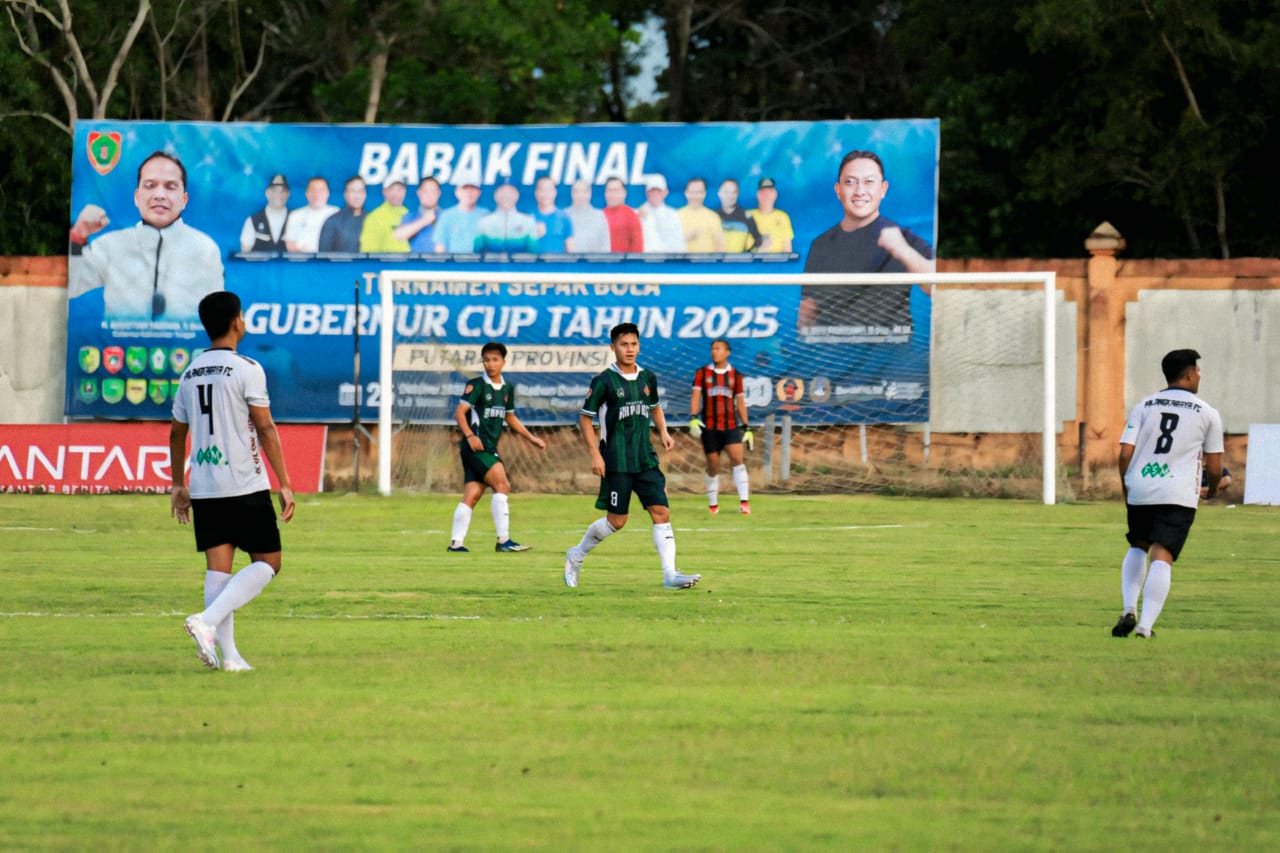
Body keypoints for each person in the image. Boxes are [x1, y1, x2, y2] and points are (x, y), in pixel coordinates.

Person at [170, 290, 296, 671]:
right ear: (236, 322)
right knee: (269, 562)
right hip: (243, 483)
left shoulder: (190, 372)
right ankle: (205, 621)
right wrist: (285, 482)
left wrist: (179, 484)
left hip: (205, 485)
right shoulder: (247, 368)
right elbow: (265, 428)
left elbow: (177, 434)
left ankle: (231, 657)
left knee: (218, 570)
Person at [563, 322, 700, 590]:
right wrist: (595, 455)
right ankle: (576, 555)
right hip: (616, 460)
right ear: (613, 347)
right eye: (624, 345)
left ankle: (670, 575)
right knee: (617, 521)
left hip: (644, 457)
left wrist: (663, 432)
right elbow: (585, 419)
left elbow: (655, 407)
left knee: (660, 511)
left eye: (634, 344)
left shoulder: (647, 377)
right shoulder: (603, 381)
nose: (630, 349)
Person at [1111, 349, 1223, 639]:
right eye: (1197, 371)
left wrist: (1127, 484)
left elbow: (1125, 452)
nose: (1198, 375)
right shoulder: (1207, 413)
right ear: (1188, 374)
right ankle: (1145, 626)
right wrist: (1212, 489)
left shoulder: (1144, 405)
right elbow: (1215, 464)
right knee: (1163, 554)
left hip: (1141, 487)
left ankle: (1127, 609)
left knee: (1138, 544)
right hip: (1178, 492)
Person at [68, 150, 223, 323]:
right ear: (136, 197)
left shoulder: (205, 248)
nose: (159, 195)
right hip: (121, 348)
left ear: (184, 200)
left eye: (170, 187)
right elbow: (71, 287)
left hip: (185, 349)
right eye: (150, 185)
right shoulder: (111, 245)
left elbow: (217, 316)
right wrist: (77, 236)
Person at [802, 150, 935, 336]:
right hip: (832, 357)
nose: (859, 191)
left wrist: (902, 250)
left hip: (891, 357)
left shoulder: (902, 238)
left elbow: (936, 286)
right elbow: (808, 309)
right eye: (850, 182)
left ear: (883, 189)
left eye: (869, 182)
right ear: (838, 190)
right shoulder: (820, 244)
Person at [447, 341, 547, 553]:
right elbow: (459, 412)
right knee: (502, 485)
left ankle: (456, 544)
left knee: (472, 494)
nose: (490, 364)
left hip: (487, 446)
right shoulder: (477, 386)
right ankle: (504, 541)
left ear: (503, 362)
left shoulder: (507, 388)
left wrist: (531, 438)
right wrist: (470, 435)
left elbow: (509, 417)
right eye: (486, 360)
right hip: (477, 447)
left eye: (495, 360)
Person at [689, 339, 753, 515]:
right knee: (714, 465)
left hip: (731, 426)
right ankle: (713, 505)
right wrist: (693, 417)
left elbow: (740, 402)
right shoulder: (702, 373)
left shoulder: (735, 375)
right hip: (709, 427)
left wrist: (746, 426)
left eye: (718, 349)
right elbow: (695, 397)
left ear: (727, 352)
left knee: (738, 459)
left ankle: (744, 503)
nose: (714, 352)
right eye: (712, 349)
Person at [473, 181, 539, 254]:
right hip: (491, 264)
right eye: (502, 193)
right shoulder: (484, 221)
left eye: (510, 193)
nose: (506, 197)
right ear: (495, 196)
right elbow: (477, 252)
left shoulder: (527, 221)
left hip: (520, 264)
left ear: (517, 196)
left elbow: (533, 251)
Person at [282, 176, 339, 253]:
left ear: (328, 193)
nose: (317, 194)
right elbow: (290, 245)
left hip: (330, 261)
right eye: (313, 190)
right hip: (302, 261)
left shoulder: (337, 213)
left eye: (321, 190)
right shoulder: (296, 215)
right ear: (306, 193)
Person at [434, 179, 490, 254]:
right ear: (457, 193)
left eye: (472, 189)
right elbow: (440, 247)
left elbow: (492, 245)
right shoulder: (447, 215)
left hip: (481, 263)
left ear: (479, 193)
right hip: (454, 263)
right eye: (465, 189)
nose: (468, 193)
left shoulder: (486, 215)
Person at [240, 173, 291, 253]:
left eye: (282, 191)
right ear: (267, 193)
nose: (278, 195)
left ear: (288, 194)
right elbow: (245, 252)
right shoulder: (253, 221)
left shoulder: (297, 219)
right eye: (274, 191)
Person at [317, 176, 367, 253]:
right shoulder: (332, 221)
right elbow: (323, 256)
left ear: (365, 194)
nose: (357, 196)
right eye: (353, 191)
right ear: (345, 194)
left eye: (360, 191)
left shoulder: (373, 221)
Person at [637, 174, 686, 253]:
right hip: (646, 262)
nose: (655, 194)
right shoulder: (637, 213)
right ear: (647, 193)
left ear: (665, 192)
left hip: (668, 262)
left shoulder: (673, 214)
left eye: (659, 191)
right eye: (652, 191)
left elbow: (679, 243)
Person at [359, 178, 410, 253]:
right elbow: (368, 251)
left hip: (409, 264)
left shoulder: (408, 214)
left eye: (399, 189)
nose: (396, 193)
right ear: (384, 192)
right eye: (391, 189)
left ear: (404, 192)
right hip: (386, 263)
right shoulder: (375, 217)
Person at [678, 177, 725, 253]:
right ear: (686, 193)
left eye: (699, 192)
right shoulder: (676, 216)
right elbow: (668, 244)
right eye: (692, 192)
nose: (695, 196)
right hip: (683, 263)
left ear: (704, 194)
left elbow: (720, 247)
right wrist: (686, 237)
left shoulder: (713, 217)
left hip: (707, 263)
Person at [748, 177, 794, 254]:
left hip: (776, 264)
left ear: (775, 195)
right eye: (763, 193)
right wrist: (760, 250)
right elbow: (742, 248)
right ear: (758, 195)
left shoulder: (783, 217)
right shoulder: (748, 215)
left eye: (769, 192)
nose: (767, 196)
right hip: (754, 263)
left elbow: (788, 250)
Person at [531, 176, 574, 253]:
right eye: (542, 190)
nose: (545, 194)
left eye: (549, 190)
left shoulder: (564, 217)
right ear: (536, 193)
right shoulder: (528, 218)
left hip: (558, 264)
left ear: (555, 192)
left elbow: (570, 250)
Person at [565, 179, 610, 253]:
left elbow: (605, 245)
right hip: (568, 263)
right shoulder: (564, 215)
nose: (580, 195)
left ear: (590, 194)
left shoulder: (599, 216)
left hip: (594, 263)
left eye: (584, 192)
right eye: (577, 192)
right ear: (572, 194)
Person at [716, 178, 760, 253]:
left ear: (737, 195)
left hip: (740, 263)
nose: (730, 196)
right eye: (726, 192)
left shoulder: (746, 217)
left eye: (734, 192)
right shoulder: (713, 217)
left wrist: (747, 255)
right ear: (719, 194)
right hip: (717, 263)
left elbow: (758, 241)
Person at [601, 176, 643, 253]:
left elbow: (638, 249)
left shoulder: (631, 216)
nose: (613, 194)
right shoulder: (599, 216)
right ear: (605, 193)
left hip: (624, 264)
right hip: (601, 263)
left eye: (616, 191)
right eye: (609, 190)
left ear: (624, 193)